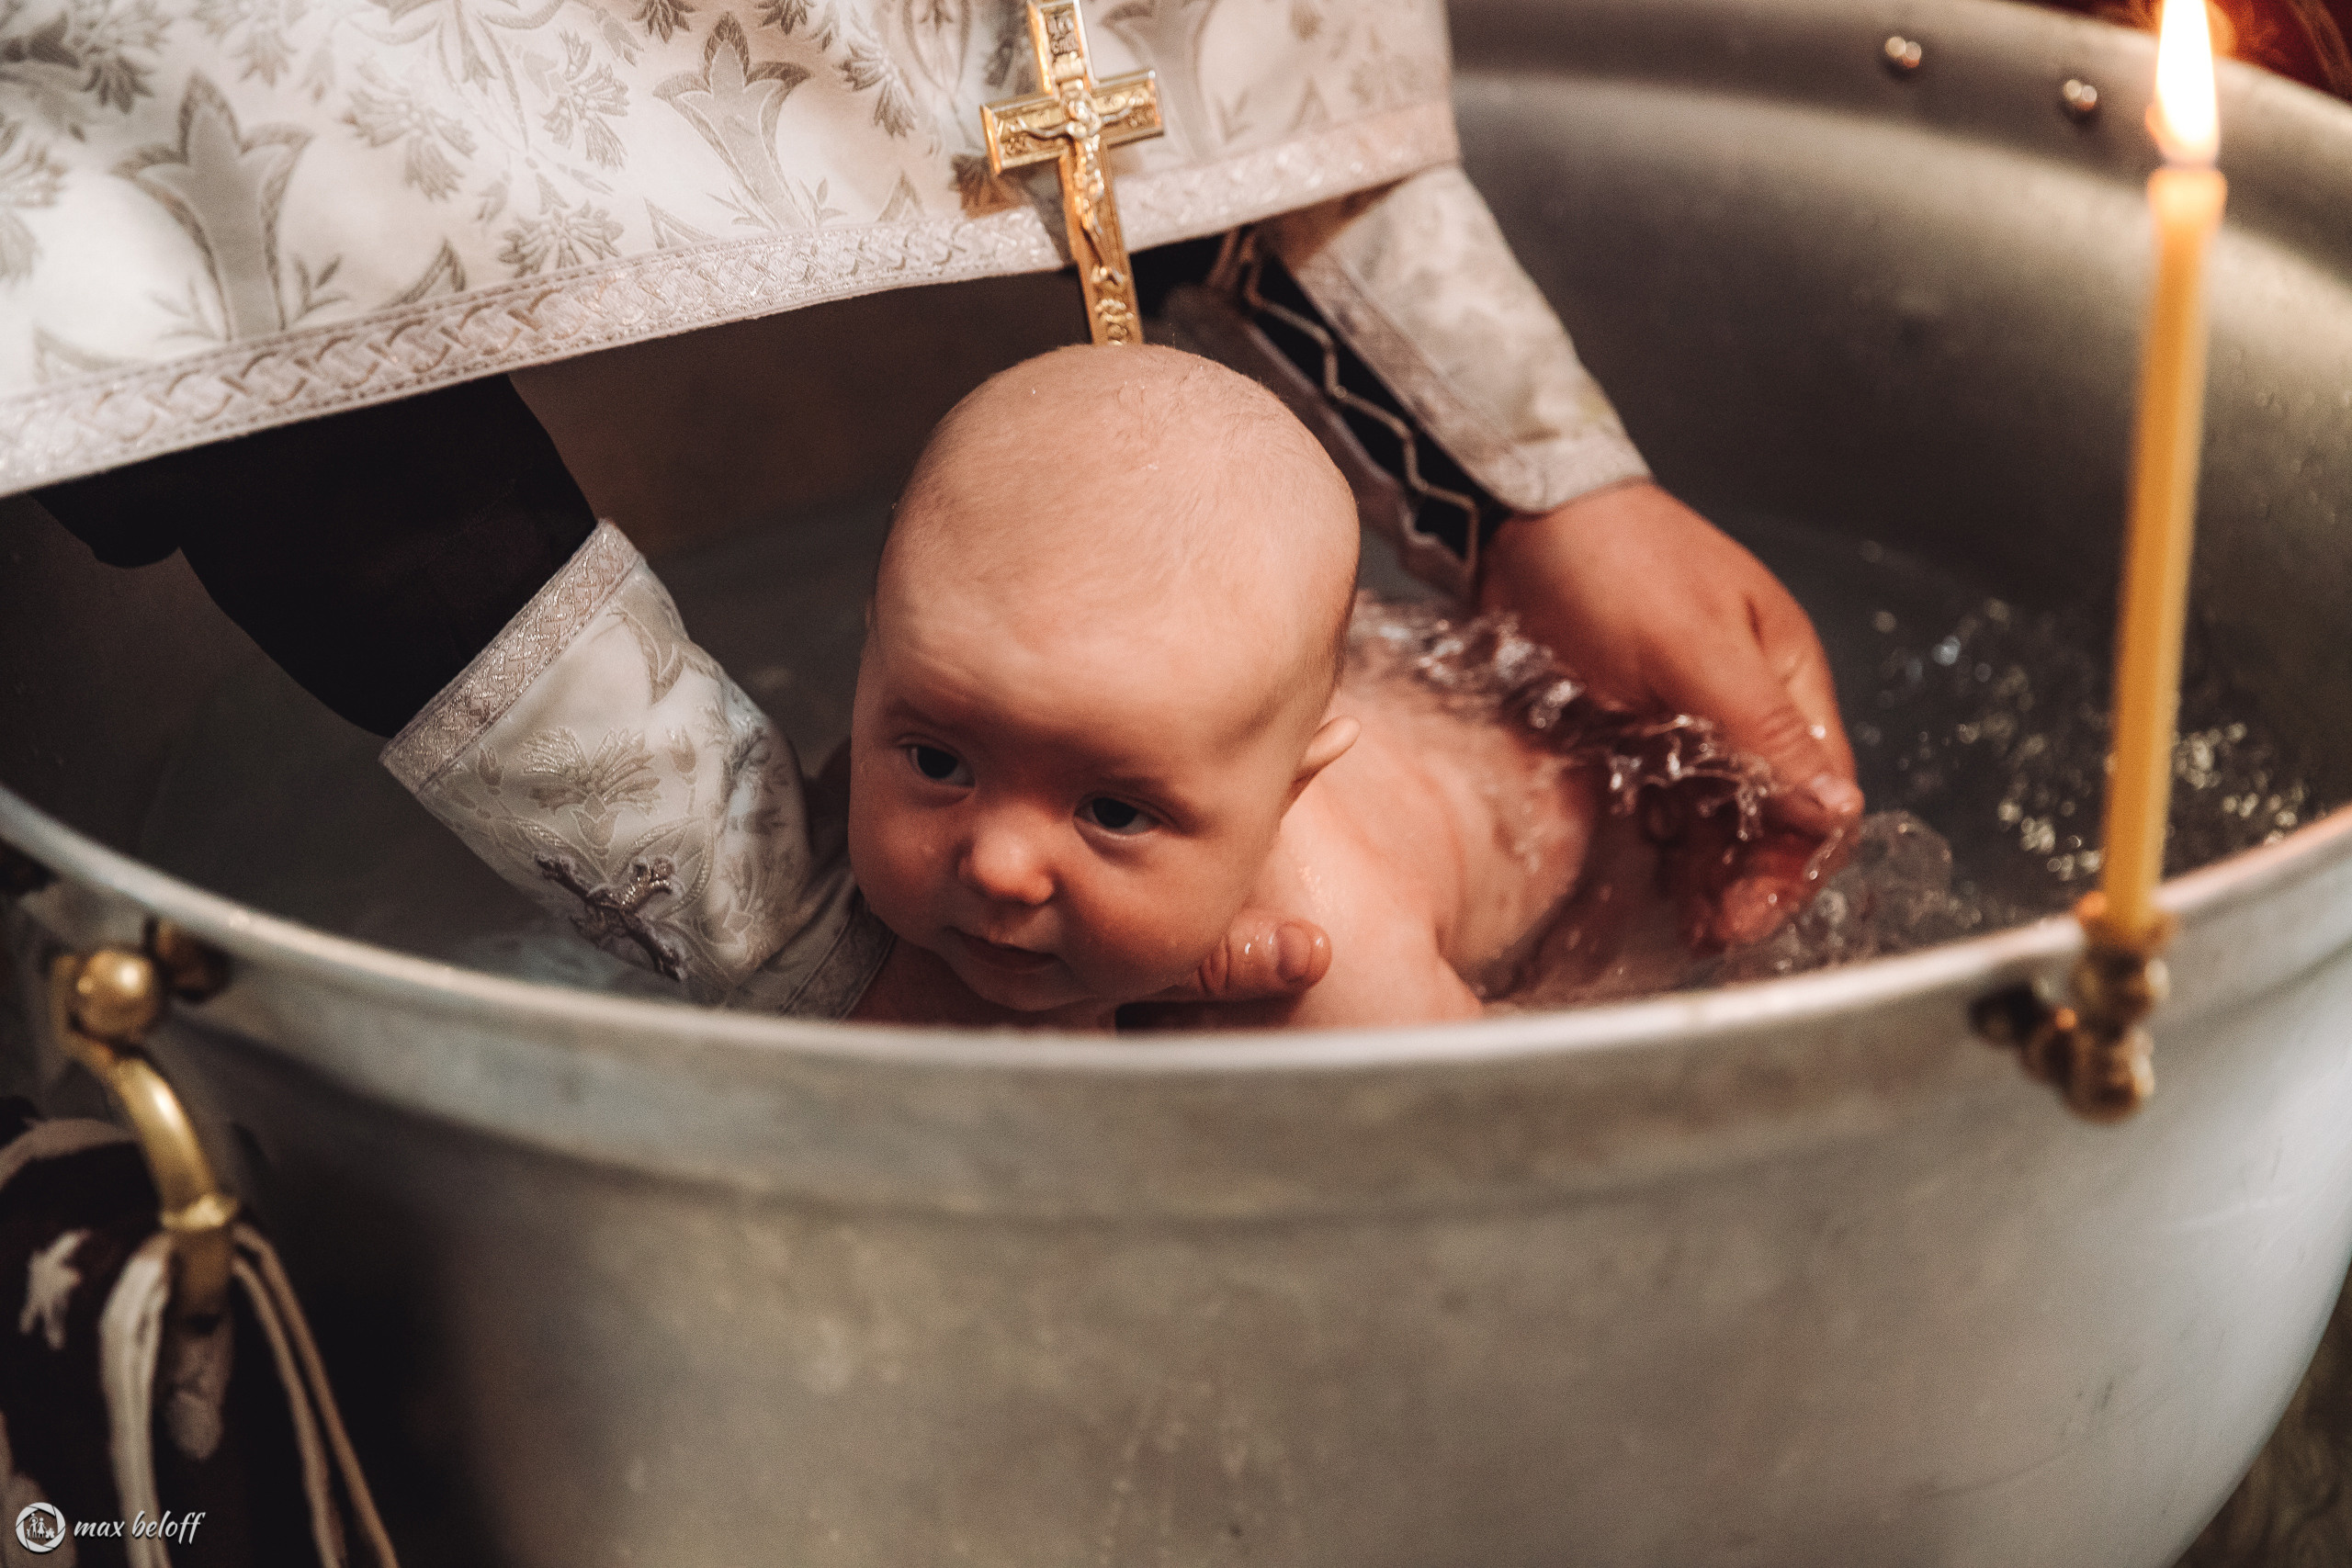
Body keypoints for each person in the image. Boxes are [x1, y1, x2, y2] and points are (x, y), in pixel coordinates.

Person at [392, 343, 1668, 1026]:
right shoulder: (897, 798)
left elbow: (1505, 1166)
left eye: (1114, 811)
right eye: (938, 756)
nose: (997, 864)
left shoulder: (1337, 982)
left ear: (1290, 791)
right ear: (873, 667)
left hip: (1578, 832)